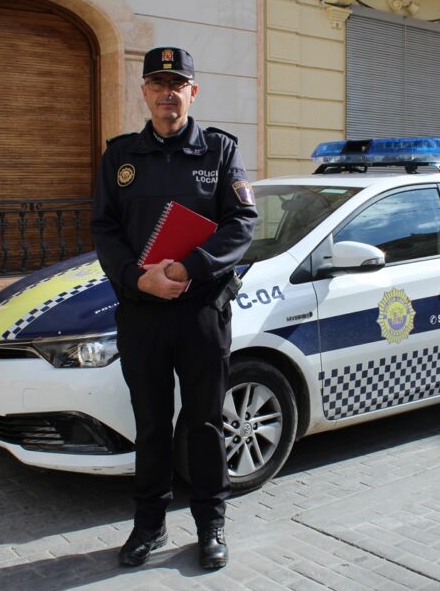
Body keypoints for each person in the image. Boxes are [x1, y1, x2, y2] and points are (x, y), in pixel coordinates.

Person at [90, 46, 257, 570]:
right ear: (143, 91)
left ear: (192, 91)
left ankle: (210, 525)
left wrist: (189, 268)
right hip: (142, 312)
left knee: (205, 422)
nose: (168, 92)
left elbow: (241, 224)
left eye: (177, 83)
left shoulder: (219, 152)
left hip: (201, 312)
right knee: (152, 423)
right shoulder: (119, 156)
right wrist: (139, 278)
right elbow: (105, 230)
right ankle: (150, 525)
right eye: (158, 83)